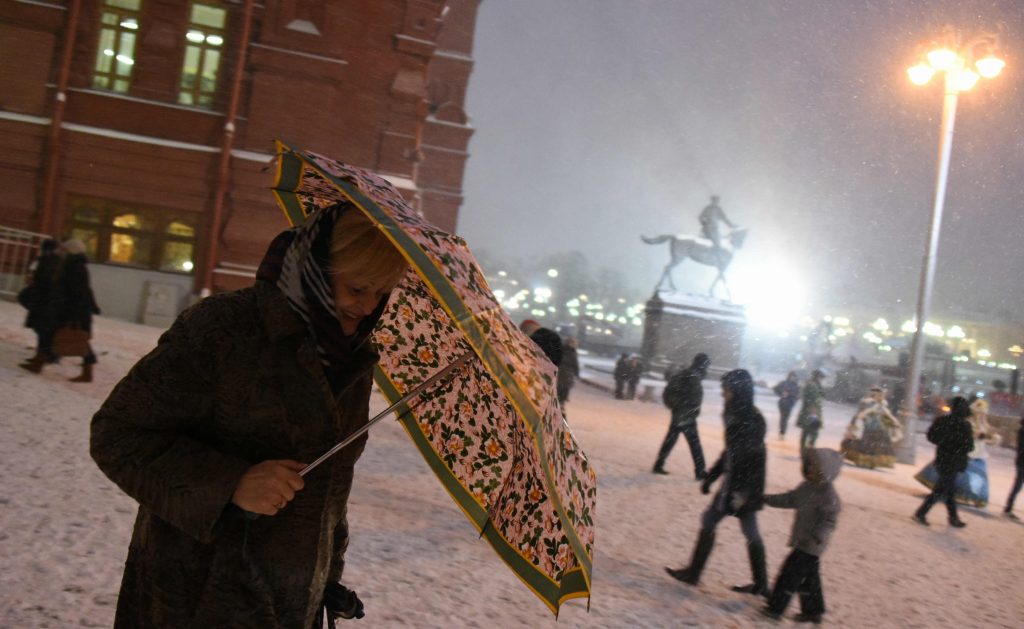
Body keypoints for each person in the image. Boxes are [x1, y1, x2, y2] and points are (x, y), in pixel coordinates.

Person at [89, 204, 408, 626]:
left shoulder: (351, 361)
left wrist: (326, 578)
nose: (368, 306)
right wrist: (231, 483)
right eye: (357, 288)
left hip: (290, 607)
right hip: (194, 600)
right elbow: (118, 435)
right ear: (316, 269)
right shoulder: (225, 329)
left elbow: (330, 488)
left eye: (380, 292)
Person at [665, 369, 769, 597]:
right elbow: (731, 453)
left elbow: (751, 458)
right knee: (744, 529)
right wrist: (712, 477)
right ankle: (760, 583)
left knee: (721, 523)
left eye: (727, 389)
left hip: (741, 485)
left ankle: (694, 573)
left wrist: (742, 491)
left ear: (738, 390)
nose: (723, 393)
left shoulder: (750, 419)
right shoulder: (738, 414)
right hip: (736, 483)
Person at [760, 448, 842, 624]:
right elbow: (790, 499)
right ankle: (813, 611)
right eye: (809, 464)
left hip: (812, 544)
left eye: (814, 466)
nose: (809, 468)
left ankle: (775, 607)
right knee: (808, 578)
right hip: (802, 540)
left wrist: (817, 535)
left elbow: (829, 521)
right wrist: (766, 499)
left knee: (789, 575)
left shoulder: (829, 497)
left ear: (824, 471)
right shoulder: (806, 488)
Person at [20, 239, 101, 382]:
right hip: (64, 308)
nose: (61, 251)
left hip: (71, 311)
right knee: (50, 335)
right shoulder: (71, 264)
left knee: (77, 339)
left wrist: (73, 315)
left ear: (72, 251)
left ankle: (87, 373)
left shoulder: (76, 267)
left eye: (65, 249)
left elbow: (78, 292)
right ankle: (38, 362)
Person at [915, 397, 999, 507]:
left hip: (960, 456)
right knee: (950, 483)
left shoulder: (961, 422)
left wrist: (991, 438)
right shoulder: (965, 423)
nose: (980, 416)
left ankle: (948, 510)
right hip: (957, 456)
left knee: (951, 484)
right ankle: (938, 510)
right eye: (978, 413)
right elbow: (967, 440)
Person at [913, 397, 974, 528]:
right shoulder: (965, 425)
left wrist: (944, 443)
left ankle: (953, 518)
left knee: (948, 489)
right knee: (941, 490)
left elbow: (931, 436)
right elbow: (969, 447)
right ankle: (921, 513)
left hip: (942, 458)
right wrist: (957, 446)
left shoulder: (942, 421)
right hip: (955, 461)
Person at [653, 353, 710, 478]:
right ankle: (700, 471)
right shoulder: (693, 377)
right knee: (695, 444)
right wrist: (687, 409)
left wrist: (677, 407)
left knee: (670, 440)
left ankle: (658, 464)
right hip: (686, 416)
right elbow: (692, 398)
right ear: (702, 365)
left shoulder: (689, 374)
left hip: (680, 414)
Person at [17, 238, 60, 368]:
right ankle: (43, 356)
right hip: (44, 301)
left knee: (44, 331)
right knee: (43, 330)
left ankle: (44, 357)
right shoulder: (53, 261)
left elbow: (44, 280)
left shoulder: (49, 261)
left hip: (44, 301)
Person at [840, 386, 903, 469]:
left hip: (878, 425)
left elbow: (886, 414)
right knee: (864, 441)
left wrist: (893, 421)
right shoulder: (867, 403)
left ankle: (872, 461)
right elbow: (861, 414)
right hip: (867, 425)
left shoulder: (882, 404)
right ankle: (862, 460)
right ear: (874, 395)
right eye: (880, 395)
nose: (882, 397)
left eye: (882, 395)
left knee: (879, 441)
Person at [796, 369, 825, 451]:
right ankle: (807, 449)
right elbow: (812, 399)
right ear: (817, 377)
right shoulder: (812, 385)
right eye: (820, 377)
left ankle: (805, 449)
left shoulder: (815, 385)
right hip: (812, 412)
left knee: (808, 432)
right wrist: (813, 412)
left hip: (812, 412)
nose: (821, 379)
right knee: (811, 432)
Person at [1004, 415, 1024, 521]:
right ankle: (1008, 509)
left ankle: (1008, 508)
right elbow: (1021, 448)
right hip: (1022, 462)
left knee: (1017, 486)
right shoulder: (1022, 431)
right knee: (1017, 486)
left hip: (1021, 461)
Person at [773, 371, 801, 439]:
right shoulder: (784, 383)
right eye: (792, 376)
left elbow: (798, 395)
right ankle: (782, 432)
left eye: (794, 377)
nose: (793, 378)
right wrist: (782, 393)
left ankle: (782, 432)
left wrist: (794, 398)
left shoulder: (796, 386)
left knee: (785, 419)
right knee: (783, 418)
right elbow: (775, 388)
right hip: (783, 403)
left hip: (790, 404)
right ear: (789, 376)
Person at [556, 336, 580, 404]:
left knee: (561, 387)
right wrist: (577, 373)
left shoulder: (562, 349)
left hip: (562, 371)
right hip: (566, 372)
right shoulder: (572, 352)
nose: (575, 344)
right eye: (574, 343)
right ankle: (561, 401)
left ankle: (560, 400)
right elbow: (575, 364)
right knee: (564, 387)